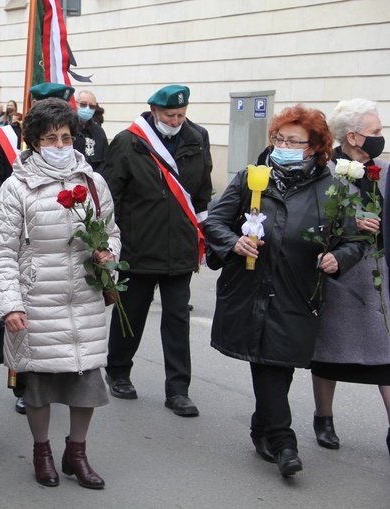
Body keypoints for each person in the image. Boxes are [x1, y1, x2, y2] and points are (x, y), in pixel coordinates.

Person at [203, 104, 363, 477]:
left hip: (300, 290)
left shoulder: (334, 188)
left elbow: (353, 240)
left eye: (293, 141)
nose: (283, 145)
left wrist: (339, 259)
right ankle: (284, 440)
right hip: (251, 287)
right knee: (268, 363)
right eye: (278, 138)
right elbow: (217, 221)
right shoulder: (252, 177)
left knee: (280, 363)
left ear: (313, 147)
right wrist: (233, 243)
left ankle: (262, 428)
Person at [0, 98, 120, 489]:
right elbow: (2, 251)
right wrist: (10, 303)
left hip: (85, 297)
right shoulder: (17, 187)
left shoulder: (92, 182)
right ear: (33, 141)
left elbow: (111, 230)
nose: (60, 145)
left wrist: (109, 254)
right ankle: (41, 451)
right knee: (41, 386)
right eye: (50, 138)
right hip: (38, 301)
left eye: (66, 137)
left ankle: (76, 453)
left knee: (86, 383)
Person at [102, 85, 212, 417]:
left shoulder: (197, 138)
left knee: (178, 319)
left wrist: (205, 235)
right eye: (170, 115)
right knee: (131, 315)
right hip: (138, 246)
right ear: (154, 111)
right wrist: (111, 243)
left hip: (180, 247)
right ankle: (118, 371)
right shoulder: (129, 141)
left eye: (181, 114)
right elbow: (110, 195)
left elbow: (202, 191)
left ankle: (178, 390)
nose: (176, 120)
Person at [310, 99, 390, 456]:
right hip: (337, 273)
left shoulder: (384, 172)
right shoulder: (324, 170)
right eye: (375, 132)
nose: (380, 137)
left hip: (377, 275)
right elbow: (309, 218)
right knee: (328, 350)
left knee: (386, 353)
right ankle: (323, 417)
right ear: (354, 137)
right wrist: (349, 225)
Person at [73, 90, 108, 173]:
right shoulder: (69, 129)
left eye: (92, 106)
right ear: (76, 104)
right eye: (83, 104)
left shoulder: (99, 132)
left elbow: (105, 160)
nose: (87, 108)